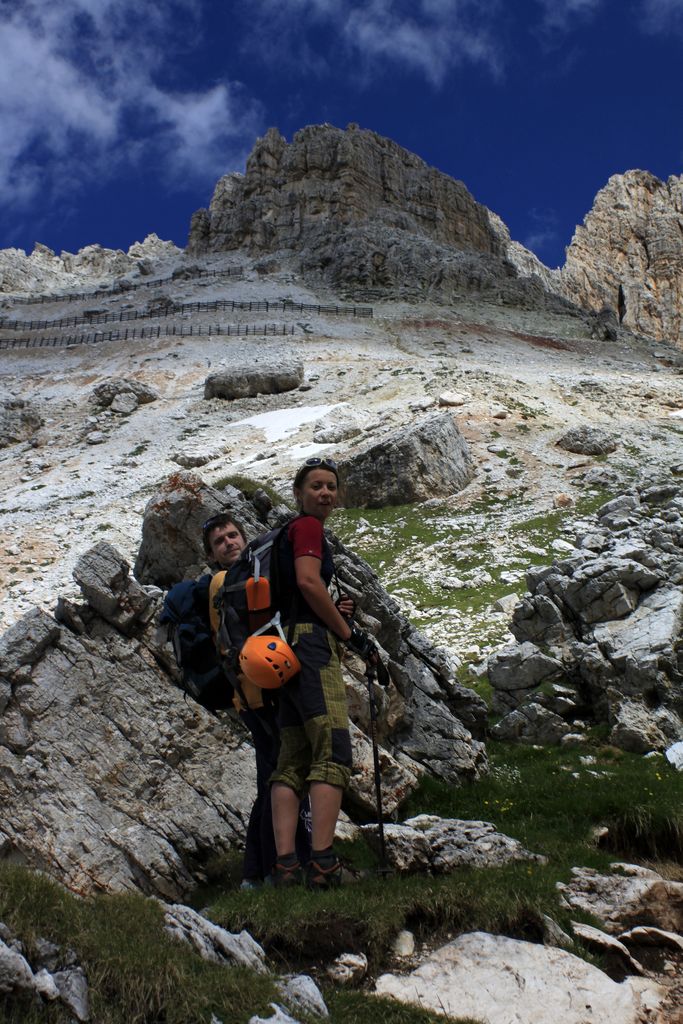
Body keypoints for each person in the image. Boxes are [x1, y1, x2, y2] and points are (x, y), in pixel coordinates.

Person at [270, 457, 376, 890]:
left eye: (331, 486)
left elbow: (298, 590)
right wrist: (348, 633)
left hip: (279, 652)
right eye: (316, 486)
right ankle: (325, 863)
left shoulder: (281, 537)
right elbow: (310, 584)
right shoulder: (309, 528)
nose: (326, 493)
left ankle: (287, 867)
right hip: (311, 648)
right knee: (332, 750)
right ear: (298, 493)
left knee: (292, 757)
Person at [202, 513, 310, 889]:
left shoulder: (245, 575)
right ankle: (275, 868)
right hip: (258, 696)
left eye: (233, 535)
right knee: (281, 780)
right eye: (220, 541)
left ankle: (261, 869)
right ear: (213, 555)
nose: (230, 543)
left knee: (273, 781)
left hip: (258, 694)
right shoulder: (224, 582)